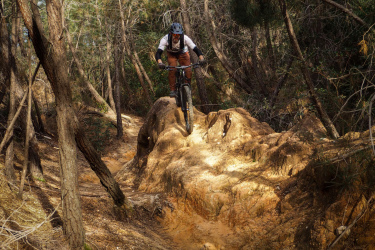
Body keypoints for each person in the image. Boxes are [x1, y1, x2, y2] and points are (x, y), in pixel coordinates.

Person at [155, 22, 206, 97]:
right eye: (175, 34)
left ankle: (187, 86)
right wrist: (160, 63)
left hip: (183, 53)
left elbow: (195, 49)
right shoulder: (165, 39)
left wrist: (201, 59)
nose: (176, 36)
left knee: (188, 69)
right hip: (171, 54)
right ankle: (173, 90)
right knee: (172, 68)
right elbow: (158, 53)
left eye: (178, 35)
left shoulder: (185, 38)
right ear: (171, 33)